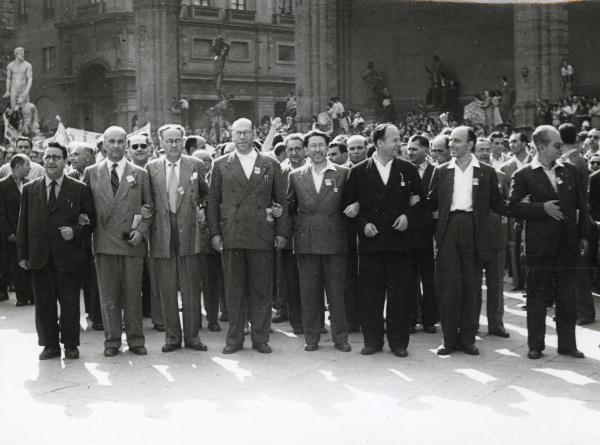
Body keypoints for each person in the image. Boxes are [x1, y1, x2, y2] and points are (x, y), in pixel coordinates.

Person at [207, 118, 289, 354]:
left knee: (262, 289)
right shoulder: (221, 164)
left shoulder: (269, 164)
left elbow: (280, 200)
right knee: (234, 290)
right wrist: (215, 232)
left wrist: (281, 232)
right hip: (232, 234)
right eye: (237, 133)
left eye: (246, 132)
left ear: (255, 133)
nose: (242, 137)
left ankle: (260, 338)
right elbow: (213, 201)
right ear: (231, 135)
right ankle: (234, 339)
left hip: (261, 234)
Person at [344, 123, 424, 358]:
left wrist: (408, 217)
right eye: (395, 139)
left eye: (399, 138)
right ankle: (372, 340)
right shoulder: (359, 171)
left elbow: (419, 203)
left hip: (400, 243)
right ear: (379, 143)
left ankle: (399, 342)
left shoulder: (407, 170)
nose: (399, 143)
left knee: (400, 295)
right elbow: (349, 206)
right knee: (371, 295)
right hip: (372, 244)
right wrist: (363, 225)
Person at [508, 125, 588, 360]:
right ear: (541, 147)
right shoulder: (523, 175)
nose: (561, 148)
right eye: (556, 145)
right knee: (537, 296)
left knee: (567, 296)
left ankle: (567, 344)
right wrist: (541, 208)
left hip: (566, 243)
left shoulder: (570, 171)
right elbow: (513, 207)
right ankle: (536, 345)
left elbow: (582, 206)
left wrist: (583, 235)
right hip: (539, 246)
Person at [428, 126, 508, 356]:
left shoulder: (485, 171)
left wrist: (527, 207)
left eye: (457, 141)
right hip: (449, 229)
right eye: (450, 141)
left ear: (470, 144)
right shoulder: (442, 171)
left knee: (471, 287)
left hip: (475, 231)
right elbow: (430, 203)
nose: (451, 144)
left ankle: (468, 339)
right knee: (448, 288)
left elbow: (499, 204)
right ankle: (449, 340)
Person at [17, 142, 96, 360]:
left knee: (70, 303)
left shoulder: (79, 189)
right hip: (40, 257)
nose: (51, 161)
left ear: (65, 160)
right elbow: (22, 224)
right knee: (44, 304)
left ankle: (70, 344)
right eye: (48, 157)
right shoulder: (30, 189)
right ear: (43, 160)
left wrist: (75, 231)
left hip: (68, 256)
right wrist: (23, 255)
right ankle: (50, 345)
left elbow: (90, 222)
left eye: (56, 157)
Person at [84, 126, 153, 358]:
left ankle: (135, 339)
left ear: (126, 144)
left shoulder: (140, 174)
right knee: (109, 295)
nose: (115, 146)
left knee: (133, 294)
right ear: (103, 144)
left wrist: (141, 231)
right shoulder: (91, 172)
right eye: (111, 141)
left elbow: (149, 208)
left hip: (131, 242)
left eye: (120, 142)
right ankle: (112, 341)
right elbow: (87, 209)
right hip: (104, 243)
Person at [287, 129, 351, 352]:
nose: (317, 149)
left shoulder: (343, 173)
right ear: (306, 149)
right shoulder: (295, 176)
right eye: (312, 145)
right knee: (309, 293)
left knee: (337, 293)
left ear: (327, 147)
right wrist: (303, 227)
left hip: (335, 241)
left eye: (321, 145)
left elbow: (349, 204)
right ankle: (311, 337)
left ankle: (341, 338)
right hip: (307, 243)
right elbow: (290, 209)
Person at [147, 124, 208, 353]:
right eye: (169, 140)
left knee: (191, 287)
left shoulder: (195, 165)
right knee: (167, 287)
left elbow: (206, 193)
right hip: (162, 232)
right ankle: (172, 337)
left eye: (178, 140)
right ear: (161, 143)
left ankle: (192, 337)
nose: (174, 144)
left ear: (184, 141)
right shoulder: (151, 168)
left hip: (189, 232)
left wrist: (202, 207)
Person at [558, 123, 596, 325]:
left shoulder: (575, 162)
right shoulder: (572, 159)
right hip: (571, 219)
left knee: (578, 269)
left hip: (576, 219)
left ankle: (585, 313)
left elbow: (579, 197)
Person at [473, 138, 510, 338]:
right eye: (481, 150)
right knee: (474, 282)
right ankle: (473, 323)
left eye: (488, 149)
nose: (485, 153)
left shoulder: (501, 176)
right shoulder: (467, 175)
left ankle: (496, 323)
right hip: (475, 236)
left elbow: (505, 204)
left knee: (496, 283)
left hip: (496, 237)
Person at [128, 134, 164, 332]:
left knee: (156, 277)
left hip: (156, 229)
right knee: (130, 278)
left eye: (144, 145)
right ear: (129, 150)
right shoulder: (123, 170)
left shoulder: (156, 168)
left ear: (150, 148)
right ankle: (132, 321)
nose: (140, 149)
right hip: (131, 231)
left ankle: (159, 318)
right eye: (135, 146)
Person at [67, 142, 103, 330]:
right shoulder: (70, 176)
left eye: (75, 154)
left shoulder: (99, 173)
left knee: (96, 278)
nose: (71, 158)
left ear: (89, 157)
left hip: (98, 232)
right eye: (71, 155)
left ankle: (97, 317)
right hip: (76, 235)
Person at [273, 133, 305, 334]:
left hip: (311, 233)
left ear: (305, 149)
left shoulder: (313, 169)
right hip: (289, 235)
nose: (294, 153)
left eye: (298, 148)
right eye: (290, 149)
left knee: (312, 281)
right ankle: (298, 322)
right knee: (291, 281)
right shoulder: (281, 172)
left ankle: (316, 321)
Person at [406, 135, 438, 333]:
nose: (410, 153)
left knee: (429, 278)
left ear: (426, 150)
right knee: (409, 278)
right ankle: (410, 319)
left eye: (414, 149)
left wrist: (420, 204)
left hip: (428, 233)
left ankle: (429, 319)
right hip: (408, 233)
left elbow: (437, 201)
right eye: (408, 149)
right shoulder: (403, 170)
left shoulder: (437, 172)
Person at [0, 154, 33, 306]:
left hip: (27, 233)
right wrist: (9, 234)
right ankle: (20, 297)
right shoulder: (2, 185)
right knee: (14, 265)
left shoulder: (30, 184)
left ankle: (31, 296)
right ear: (18, 165)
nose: (30, 168)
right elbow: (1, 214)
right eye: (27, 164)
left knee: (28, 264)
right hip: (10, 235)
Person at [501, 132, 531, 292]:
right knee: (515, 247)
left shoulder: (535, 161)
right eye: (510, 142)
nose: (511, 145)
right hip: (515, 213)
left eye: (515, 141)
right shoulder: (506, 167)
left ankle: (530, 284)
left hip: (534, 212)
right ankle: (519, 282)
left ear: (525, 144)